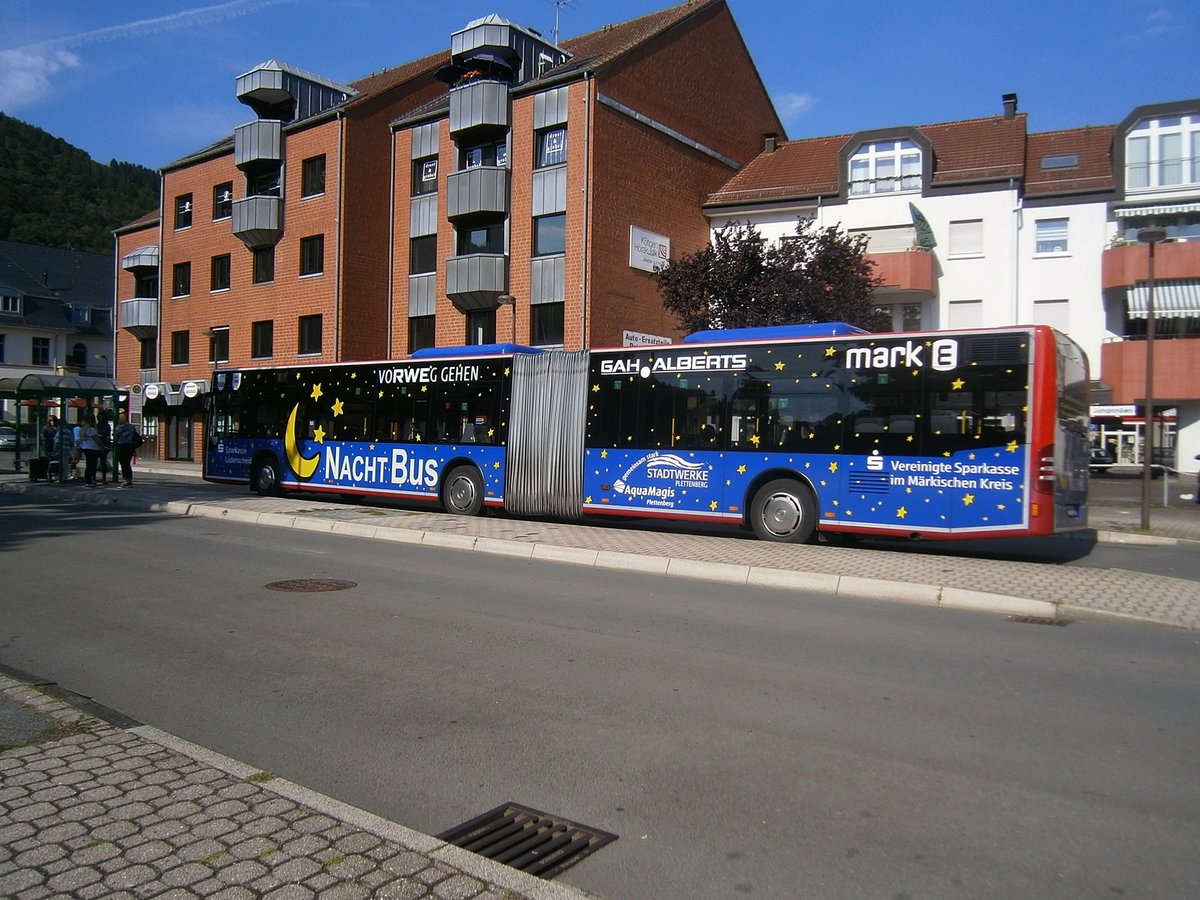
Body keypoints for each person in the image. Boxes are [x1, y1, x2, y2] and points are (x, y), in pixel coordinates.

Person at [112, 410, 142, 488]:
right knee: (127, 464)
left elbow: (116, 438)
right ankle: (129, 479)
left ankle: (126, 480)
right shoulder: (131, 427)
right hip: (130, 446)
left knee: (123, 464)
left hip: (121, 446)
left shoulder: (119, 427)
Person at [77, 412, 104, 486]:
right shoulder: (91, 429)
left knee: (89, 464)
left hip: (85, 447)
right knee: (92, 465)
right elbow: (97, 439)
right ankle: (90, 480)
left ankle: (88, 480)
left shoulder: (83, 429)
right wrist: (102, 446)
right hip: (93, 448)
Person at [96, 409, 113, 484]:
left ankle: (103, 478)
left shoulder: (105, 425)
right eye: (98, 416)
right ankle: (100, 478)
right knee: (99, 461)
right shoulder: (99, 424)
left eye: (100, 416)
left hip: (103, 444)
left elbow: (106, 436)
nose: (99, 418)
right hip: (100, 444)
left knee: (103, 461)